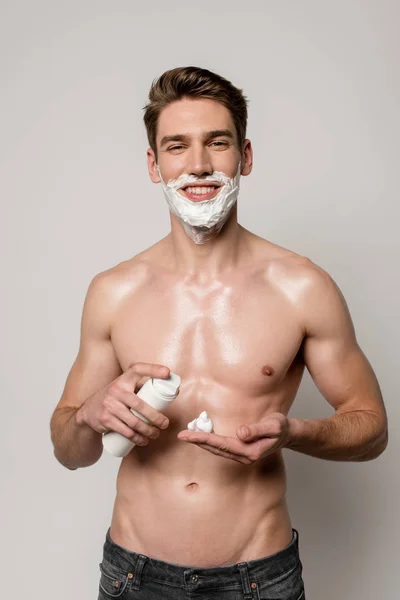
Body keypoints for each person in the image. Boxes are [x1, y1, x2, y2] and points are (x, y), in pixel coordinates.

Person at [50, 66, 388, 600]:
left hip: (260, 577)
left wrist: (293, 433)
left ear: (245, 157)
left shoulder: (302, 287)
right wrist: (90, 414)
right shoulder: (114, 291)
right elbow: (69, 449)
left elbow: (372, 431)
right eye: (177, 146)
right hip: (135, 577)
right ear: (154, 164)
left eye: (218, 142)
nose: (199, 164)